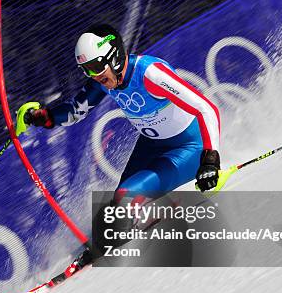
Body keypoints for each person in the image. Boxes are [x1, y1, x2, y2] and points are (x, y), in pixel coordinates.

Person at [18, 24, 221, 270]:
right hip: (152, 145)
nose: (93, 76)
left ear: (113, 57)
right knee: (117, 205)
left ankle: (155, 218)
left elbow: (205, 108)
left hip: (188, 147)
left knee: (126, 195)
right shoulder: (105, 79)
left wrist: (210, 159)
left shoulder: (150, 74)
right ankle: (100, 245)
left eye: (94, 67)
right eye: (86, 70)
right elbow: (75, 110)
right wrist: (42, 116)